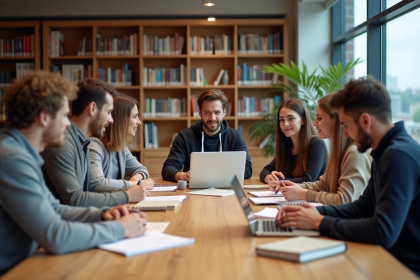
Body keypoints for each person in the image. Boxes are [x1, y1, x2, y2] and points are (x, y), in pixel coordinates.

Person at [0, 71, 147, 275]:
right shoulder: (12, 159)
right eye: (63, 115)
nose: (69, 123)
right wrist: (121, 229)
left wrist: (104, 214)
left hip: (28, 262)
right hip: (16, 271)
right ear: (44, 118)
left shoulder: (20, 153)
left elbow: (55, 209)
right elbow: (55, 235)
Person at [276, 76, 420, 276]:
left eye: (346, 125)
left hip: (401, 268)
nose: (344, 134)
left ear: (365, 121)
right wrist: (317, 213)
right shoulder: (385, 151)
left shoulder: (398, 156)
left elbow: (383, 231)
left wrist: (319, 223)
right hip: (384, 258)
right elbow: (363, 206)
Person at [41, 78, 149, 208]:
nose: (111, 120)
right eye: (109, 112)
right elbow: (75, 199)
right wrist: (127, 195)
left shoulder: (83, 141)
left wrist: (131, 191)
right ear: (92, 108)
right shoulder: (63, 143)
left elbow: (94, 186)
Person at [269, 95, 371, 205]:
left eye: (320, 118)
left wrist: (303, 194)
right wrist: (292, 186)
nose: (314, 123)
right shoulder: (338, 153)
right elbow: (323, 185)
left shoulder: (354, 152)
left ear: (336, 120)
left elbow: (345, 200)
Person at [162, 89, 252, 182]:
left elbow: (247, 170)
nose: (212, 118)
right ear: (200, 113)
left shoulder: (235, 136)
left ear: (224, 112)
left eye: (217, 112)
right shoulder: (184, 137)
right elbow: (168, 169)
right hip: (193, 191)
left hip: (227, 189)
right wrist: (181, 175)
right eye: (207, 112)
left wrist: (214, 173)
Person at [89, 94, 154, 189]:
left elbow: (142, 169)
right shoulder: (94, 145)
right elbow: (98, 182)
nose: (139, 122)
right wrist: (134, 184)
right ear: (120, 119)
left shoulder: (121, 147)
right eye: (135, 116)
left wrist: (136, 178)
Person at [260, 98, 327, 184]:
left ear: (303, 120)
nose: (285, 124)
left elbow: (309, 180)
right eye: (281, 120)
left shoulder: (316, 143)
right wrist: (269, 177)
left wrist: (279, 182)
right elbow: (266, 170)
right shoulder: (287, 145)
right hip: (290, 196)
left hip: (312, 197)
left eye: (291, 118)